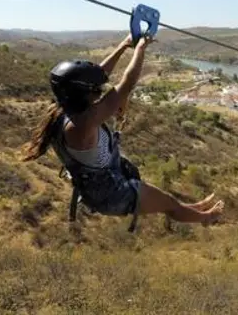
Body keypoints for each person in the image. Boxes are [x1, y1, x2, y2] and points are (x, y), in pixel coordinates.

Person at [19, 32, 224, 230]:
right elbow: (127, 83)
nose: (98, 90)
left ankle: (193, 209)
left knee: (167, 202)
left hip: (108, 180)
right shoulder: (82, 124)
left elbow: (99, 75)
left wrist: (123, 45)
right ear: (83, 93)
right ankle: (205, 218)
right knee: (169, 205)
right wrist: (140, 49)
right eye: (94, 89)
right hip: (113, 195)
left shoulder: (65, 108)